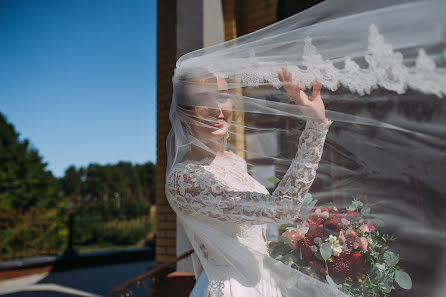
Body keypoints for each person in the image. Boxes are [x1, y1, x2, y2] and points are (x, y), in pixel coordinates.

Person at [165, 66, 333, 297]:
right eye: (204, 98)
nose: (217, 108)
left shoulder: (234, 162)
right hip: (232, 288)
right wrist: (315, 128)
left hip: (265, 282)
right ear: (183, 111)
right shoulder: (184, 179)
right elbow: (280, 208)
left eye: (223, 96)